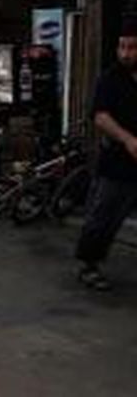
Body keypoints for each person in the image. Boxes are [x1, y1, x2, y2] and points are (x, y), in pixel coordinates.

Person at [75, 17, 137, 291]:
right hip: (117, 163)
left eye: (132, 47)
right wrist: (128, 139)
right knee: (104, 216)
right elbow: (100, 117)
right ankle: (89, 265)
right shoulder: (110, 79)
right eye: (122, 47)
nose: (125, 53)